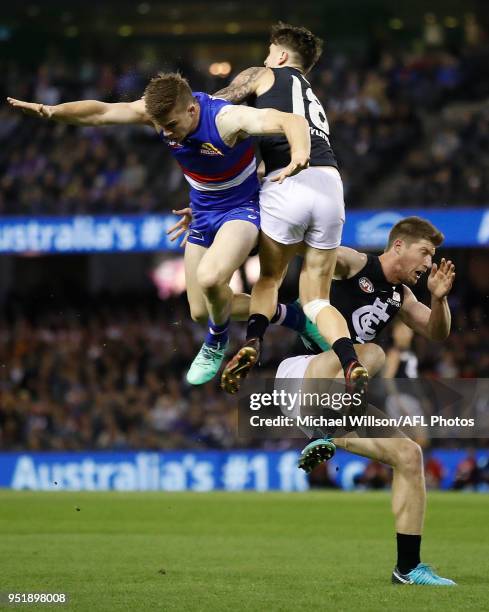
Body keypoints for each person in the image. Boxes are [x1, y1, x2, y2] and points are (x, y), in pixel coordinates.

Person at [7, 72, 311, 386]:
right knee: (199, 311)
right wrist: (50, 111)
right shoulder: (161, 115)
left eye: (172, 125)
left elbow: (290, 121)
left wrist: (300, 153)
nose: (167, 133)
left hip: (242, 212)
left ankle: (216, 342)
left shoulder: (227, 118)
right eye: (161, 126)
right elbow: (101, 112)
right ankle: (297, 317)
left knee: (210, 278)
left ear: (192, 110)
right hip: (203, 215)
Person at [275, 216, 456, 586]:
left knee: (409, 456)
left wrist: (439, 299)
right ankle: (320, 430)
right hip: (302, 375)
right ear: (399, 246)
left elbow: (437, 331)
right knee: (371, 353)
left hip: (340, 392)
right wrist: (228, 227)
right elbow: (301, 248)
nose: (428, 263)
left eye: (432, 256)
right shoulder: (354, 264)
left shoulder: (400, 296)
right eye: (424, 253)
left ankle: (407, 569)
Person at [212, 23, 368, 395]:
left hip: (288, 180)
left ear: (280, 56)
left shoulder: (263, 74)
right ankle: (350, 361)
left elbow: (215, 104)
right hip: (329, 183)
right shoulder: (311, 96)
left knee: (269, 279)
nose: (266, 58)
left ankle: (252, 340)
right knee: (317, 297)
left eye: (269, 52)